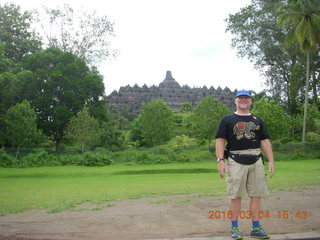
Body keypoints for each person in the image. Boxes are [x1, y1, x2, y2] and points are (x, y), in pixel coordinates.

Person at [215, 90, 275, 239]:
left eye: (246, 98)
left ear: (250, 101)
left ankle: (256, 227)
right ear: (235, 101)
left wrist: (271, 160)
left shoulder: (257, 120)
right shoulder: (227, 119)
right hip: (236, 159)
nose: (243, 100)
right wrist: (220, 160)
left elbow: (265, 141)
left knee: (256, 195)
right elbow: (220, 141)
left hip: (256, 158)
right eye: (240, 98)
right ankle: (235, 228)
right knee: (235, 195)